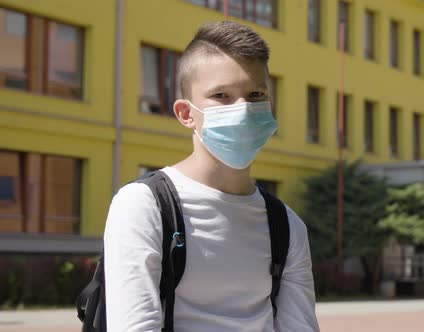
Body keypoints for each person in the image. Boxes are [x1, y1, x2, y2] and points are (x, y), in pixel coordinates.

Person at [103, 21, 320, 332]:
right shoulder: (144, 206)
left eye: (255, 93)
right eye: (221, 95)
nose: (243, 109)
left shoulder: (287, 226)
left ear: (270, 105)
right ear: (185, 113)